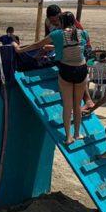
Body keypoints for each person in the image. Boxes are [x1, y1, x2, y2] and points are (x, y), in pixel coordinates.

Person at [19, 12, 90, 145]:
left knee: (67, 105)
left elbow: (37, 45)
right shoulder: (84, 33)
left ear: (62, 22)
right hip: (81, 70)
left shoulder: (57, 34)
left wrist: (19, 50)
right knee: (77, 104)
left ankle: (68, 137)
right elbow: (78, 47)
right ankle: (77, 134)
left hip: (67, 69)